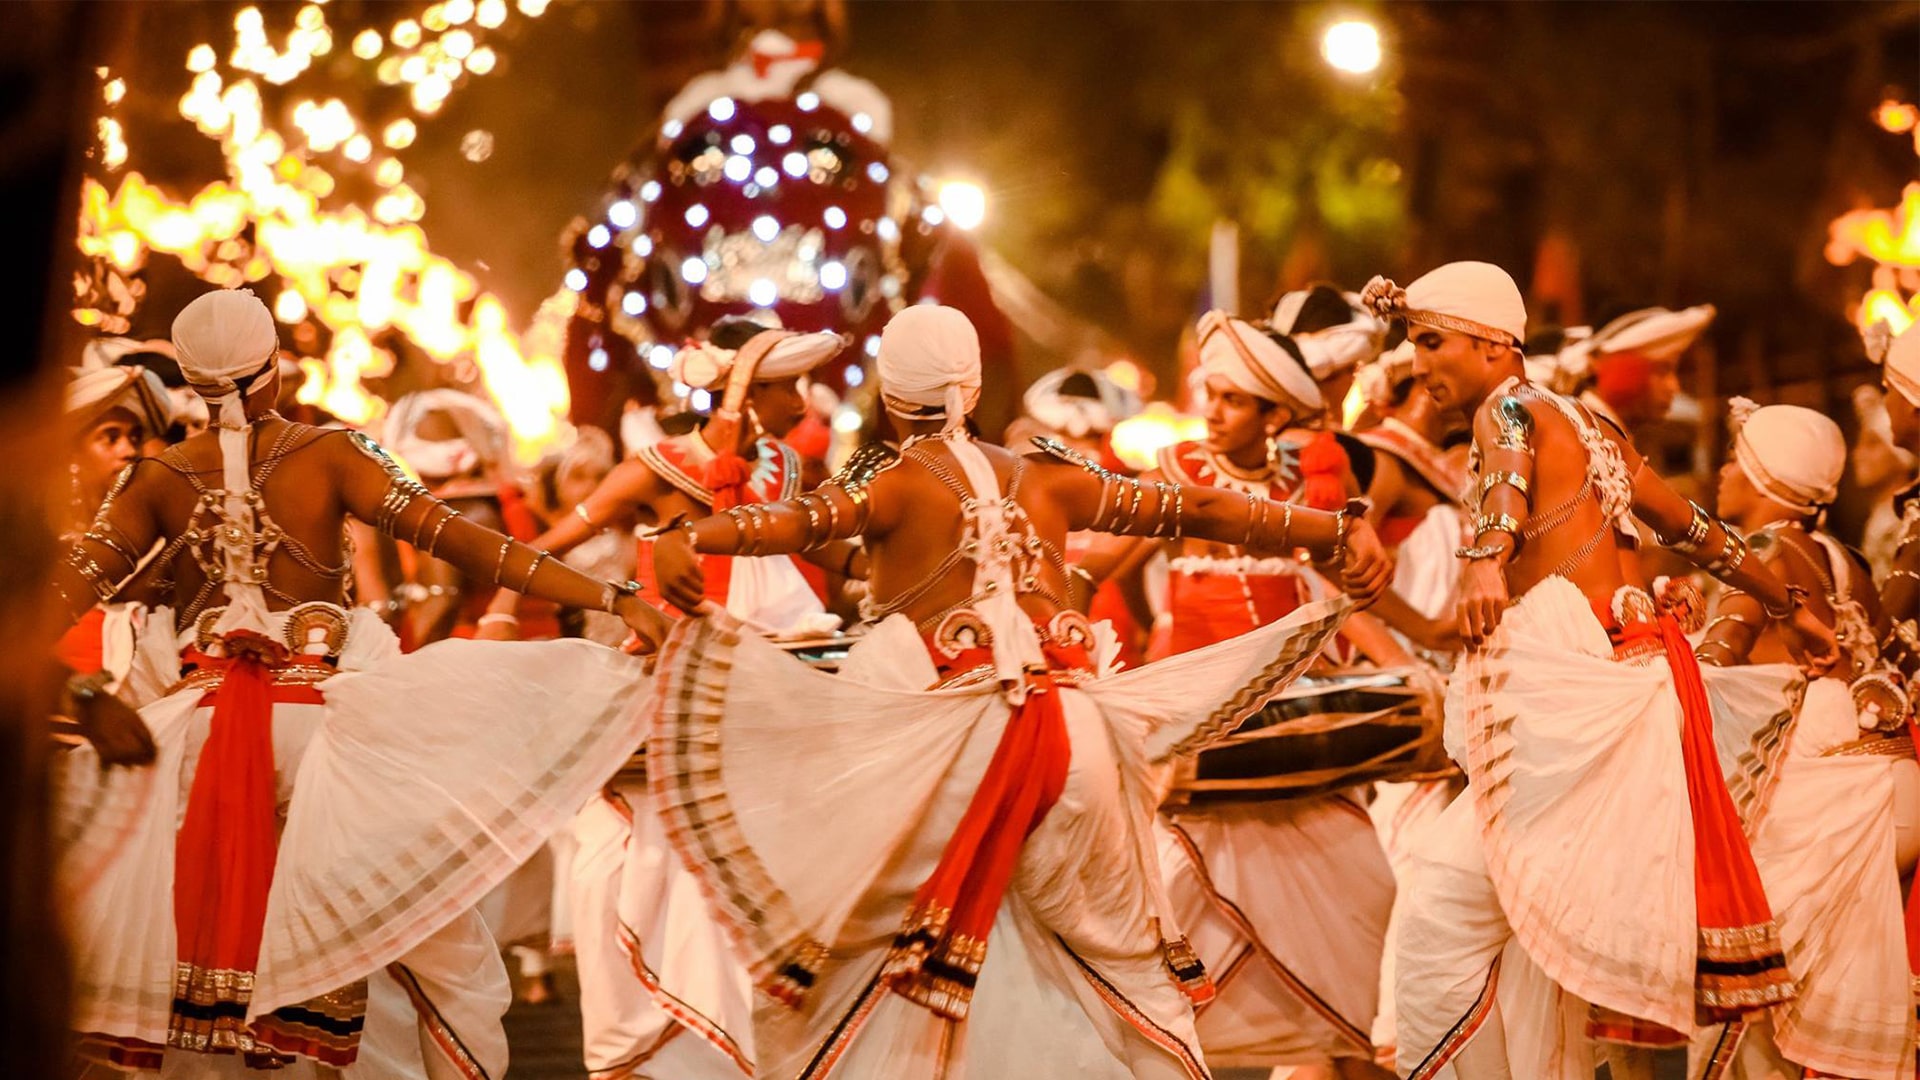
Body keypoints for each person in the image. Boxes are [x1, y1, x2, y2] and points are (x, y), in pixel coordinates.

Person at [643, 304, 1391, 1079]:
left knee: (890, 963)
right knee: (1099, 969)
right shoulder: (1048, 477)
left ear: (895, 398)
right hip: (1082, 739)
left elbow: (791, 525)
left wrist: (681, 537)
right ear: (972, 385)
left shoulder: (891, 484)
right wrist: (1337, 530)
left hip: (958, 747)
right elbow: (1195, 508)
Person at [50, 288, 665, 1077]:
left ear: (195, 386)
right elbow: (467, 543)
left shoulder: (154, 478)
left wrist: (81, 695)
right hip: (330, 741)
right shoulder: (330, 452)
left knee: (197, 986)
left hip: (193, 751)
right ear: (271, 372)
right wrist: (613, 598)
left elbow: (42, 604)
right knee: (426, 951)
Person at [1362, 262, 1837, 1080]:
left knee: (1440, 911)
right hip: (1619, 683)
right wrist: (1784, 600)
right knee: (1541, 952)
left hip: (1567, 695)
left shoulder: (1505, 406)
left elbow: (1507, 474)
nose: (1417, 363)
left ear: (1491, 343)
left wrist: (1484, 556)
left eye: (1431, 341)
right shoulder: (1590, 424)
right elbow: (1695, 529)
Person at [484, 316, 850, 1080]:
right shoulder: (656, 468)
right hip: (671, 690)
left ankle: (746, 1043)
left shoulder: (788, 467)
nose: (804, 405)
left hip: (778, 687)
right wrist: (503, 610)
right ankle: (660, 1042)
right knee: (636, 859)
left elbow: (829, 552)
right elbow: (539, 550)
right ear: (744, 392)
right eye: (788, 387)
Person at [1085, 312, 1396, 1078]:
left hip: (1287, 714)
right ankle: (1153, 1047)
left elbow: (1341, 590)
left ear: (1275, 414)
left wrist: (1410, 666)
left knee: (1364, 883)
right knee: (1164, 897)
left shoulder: (1314, 483)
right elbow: (1108, 563)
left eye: (1230, 400)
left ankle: (1317, 1047)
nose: (1213, 413)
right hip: (1192, 723)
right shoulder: (1180, 467)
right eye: (1210, 396)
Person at [1690, 400, 1915, 1079]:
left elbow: (1714, 663)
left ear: (1763, 478)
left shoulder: (1760, 553)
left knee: (1744, 996)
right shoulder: (1844, 559)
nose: (1724, 470)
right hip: (1891, 782)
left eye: (1737, 457)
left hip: (1824, 799)